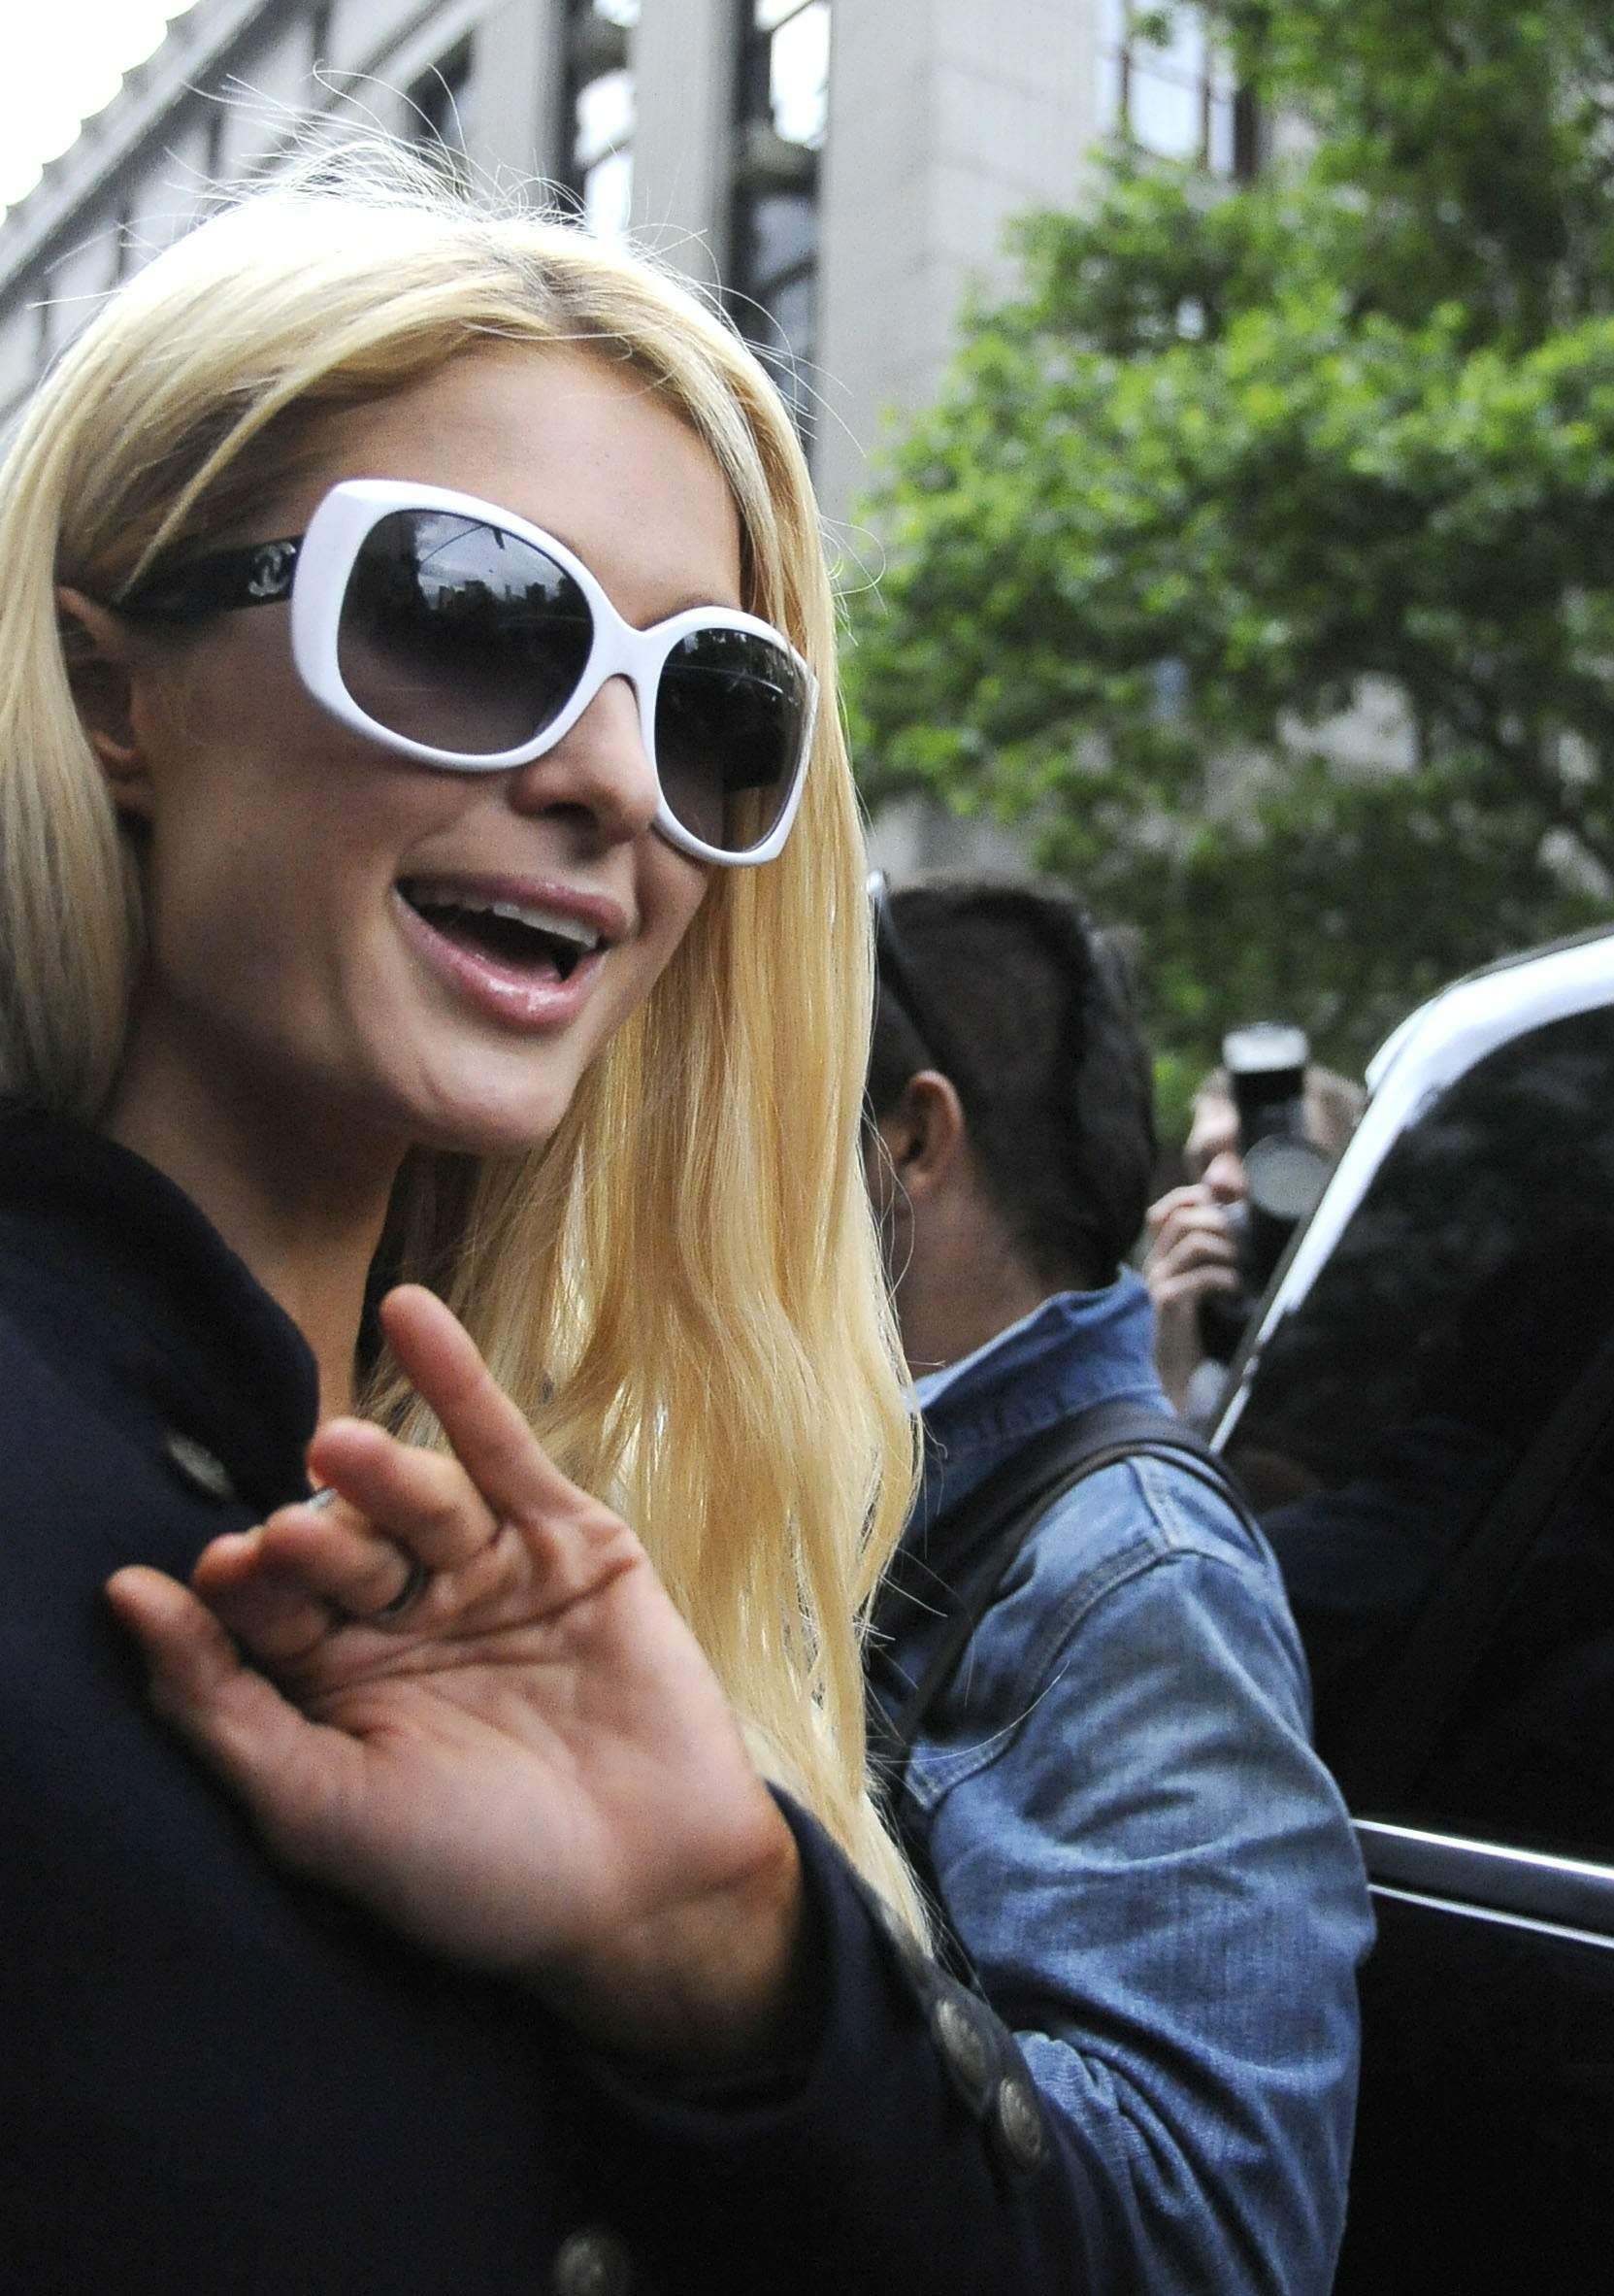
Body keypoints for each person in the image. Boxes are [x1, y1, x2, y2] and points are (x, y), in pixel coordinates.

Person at [0, 158, 1133, 2296]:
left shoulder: (616, 1550)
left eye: (709, 702)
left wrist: (723, 1950)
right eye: (470, 612)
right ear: (110, 696)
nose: (618, 780)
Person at [862, 873, 1374, 2296]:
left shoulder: (1141, 1574)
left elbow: (1211, 2230)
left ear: (910, 1138)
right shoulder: (892, 1478)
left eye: (781, 1114)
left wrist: (754, 1971)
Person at [1147, 1056, 1367, 1419]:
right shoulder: (1195, 1345)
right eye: (1204, 1162)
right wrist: (1165, 1370)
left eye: (1262, 1154)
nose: (1216, 1179)